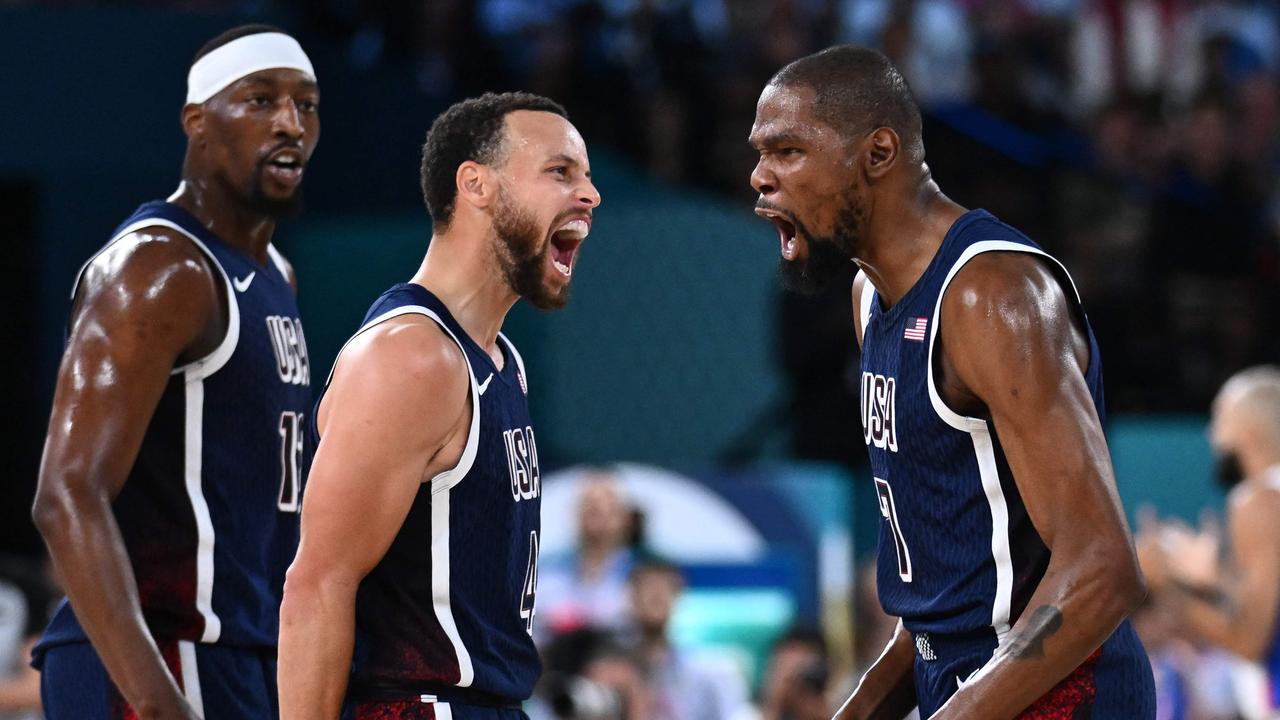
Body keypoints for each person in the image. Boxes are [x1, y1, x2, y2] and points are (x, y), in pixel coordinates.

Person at [747, 45, 1155, 718]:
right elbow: (945, 597)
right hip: (969, 682)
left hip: (1062, 692)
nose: (760, 177)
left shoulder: (991, 295)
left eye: (787, 151)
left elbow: (1103, 569)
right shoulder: (868, 297)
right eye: (760, 153)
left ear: (878, 153)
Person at [277, 91, 600, 719]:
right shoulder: (412, 357)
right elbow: (316, 586)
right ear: (475, 184)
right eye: (560, 172)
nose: (589, 195)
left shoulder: (501, 360)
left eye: (587, 176)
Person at [30, 24, 319, 719]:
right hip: (158, 656)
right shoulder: (158, 268)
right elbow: (66, 494)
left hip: (237, 653)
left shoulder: (277, 275)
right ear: (198, 122)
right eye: (259, 100)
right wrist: (157, 701)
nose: (290, 123)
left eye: (306, 105)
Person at [1138, 366, 1280, 718]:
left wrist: (1166, 580)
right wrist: (1213, 576)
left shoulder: (1258, 500)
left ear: (1247, 433)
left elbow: (1249, 641)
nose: (1211, 433)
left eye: (1219, 418)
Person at [537, 470, 637, 640]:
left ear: (625, 518)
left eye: (609, 508)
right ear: (576, 514)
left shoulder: (641, 572)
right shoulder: (547, 570)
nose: (599, 516)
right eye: (591, 508)